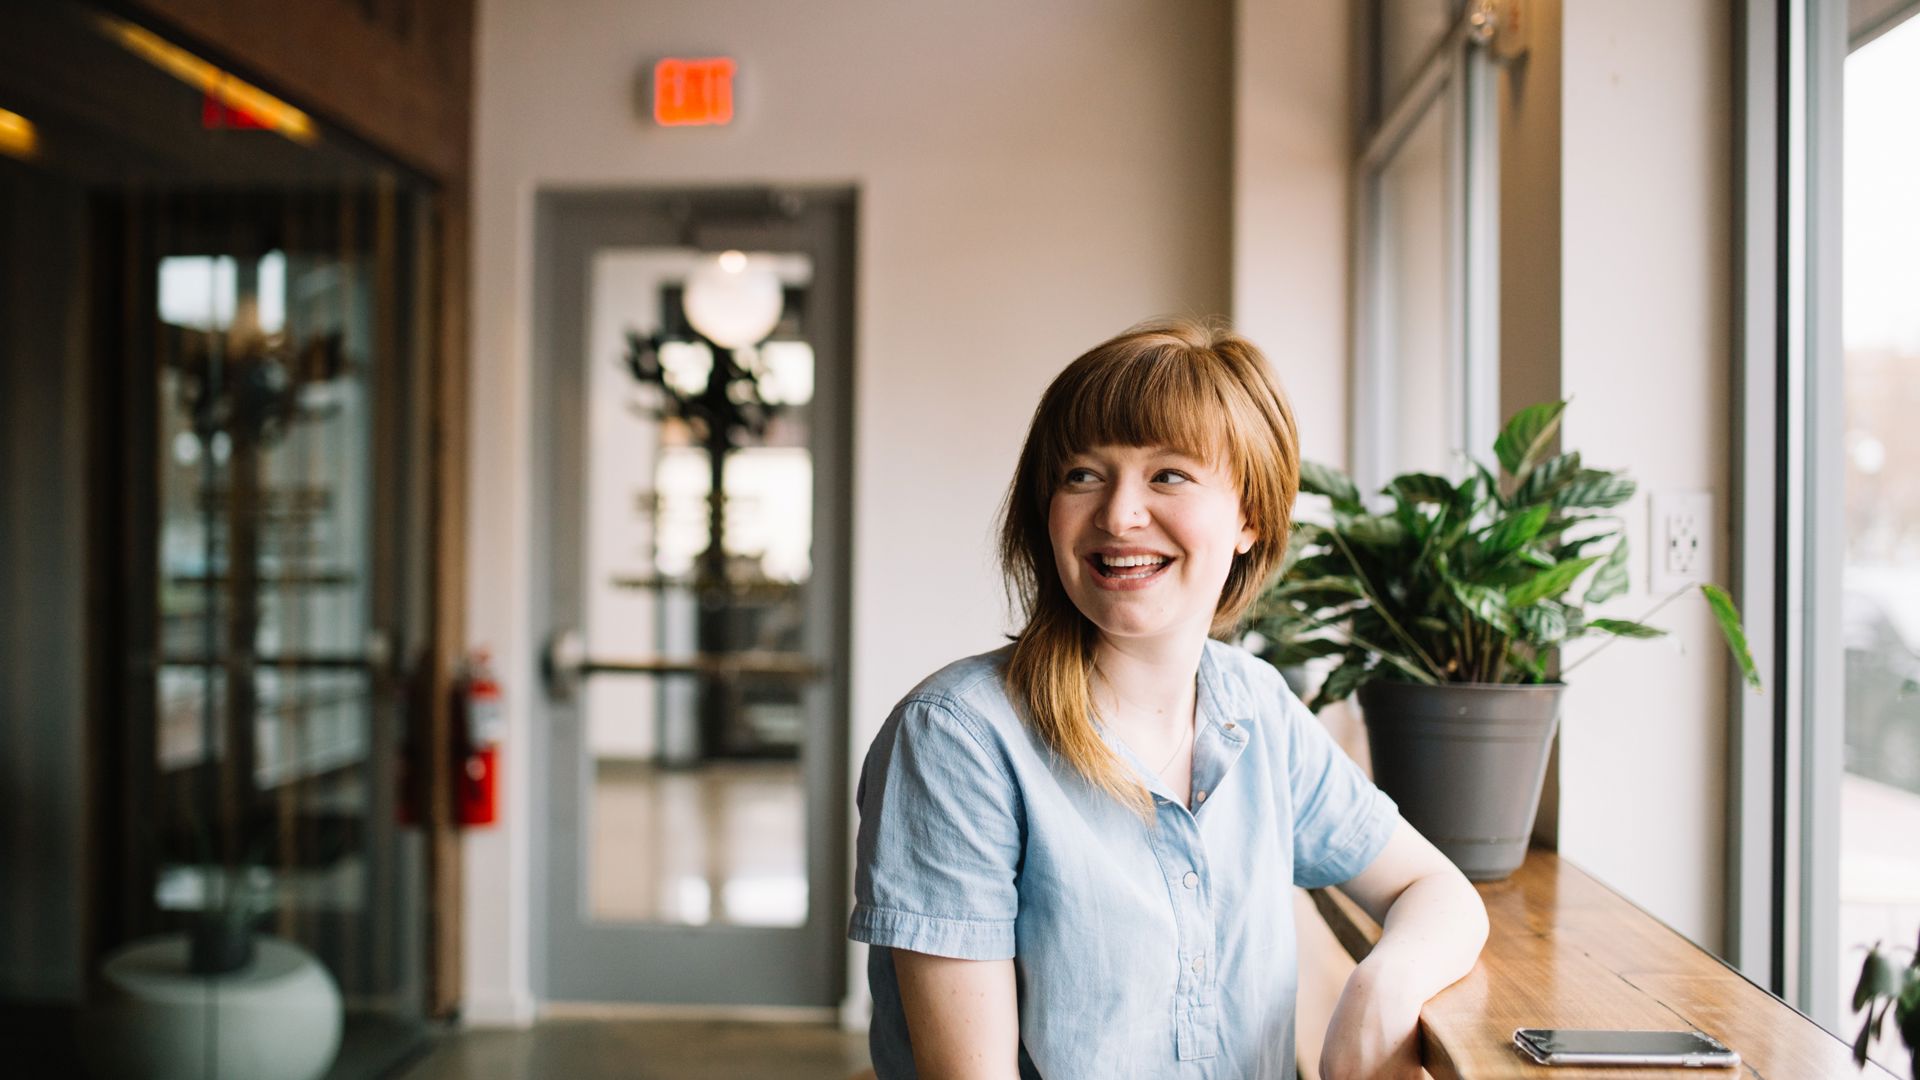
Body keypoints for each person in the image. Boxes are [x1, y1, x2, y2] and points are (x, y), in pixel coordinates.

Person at [849, 318, 1488, 1079]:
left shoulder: (1256, 705)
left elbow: (1434, 888)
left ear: (1250, 515)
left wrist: (1383, 985)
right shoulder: (958, 737)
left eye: (1168, 475)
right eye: (1082, 474)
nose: (1118, 515)